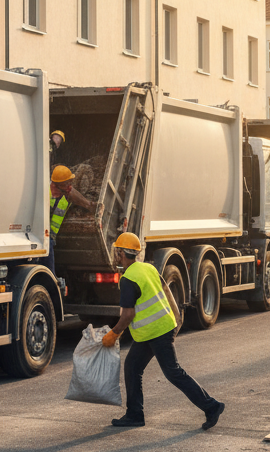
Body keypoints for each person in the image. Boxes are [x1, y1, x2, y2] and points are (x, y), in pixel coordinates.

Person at [101, 232, 224, 430]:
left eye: (117, 251)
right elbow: (164, 292)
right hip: (155, 330)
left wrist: (113, 334)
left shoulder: (128, 279)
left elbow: (127, 314)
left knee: (173, 373)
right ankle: (134, 415)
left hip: (157, 332)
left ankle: (212, 406)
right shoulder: (148, 268)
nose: (116, 255)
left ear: (121, 253)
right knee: (132, 367)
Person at [46, 165, 97, 274]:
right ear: (55, 185)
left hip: (51, 237)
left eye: (70, 183)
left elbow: (84, 202)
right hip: (42, 237)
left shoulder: (66, 194)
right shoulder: (44, 194)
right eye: (66, 184)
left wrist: (91, 206)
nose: (70, 187)